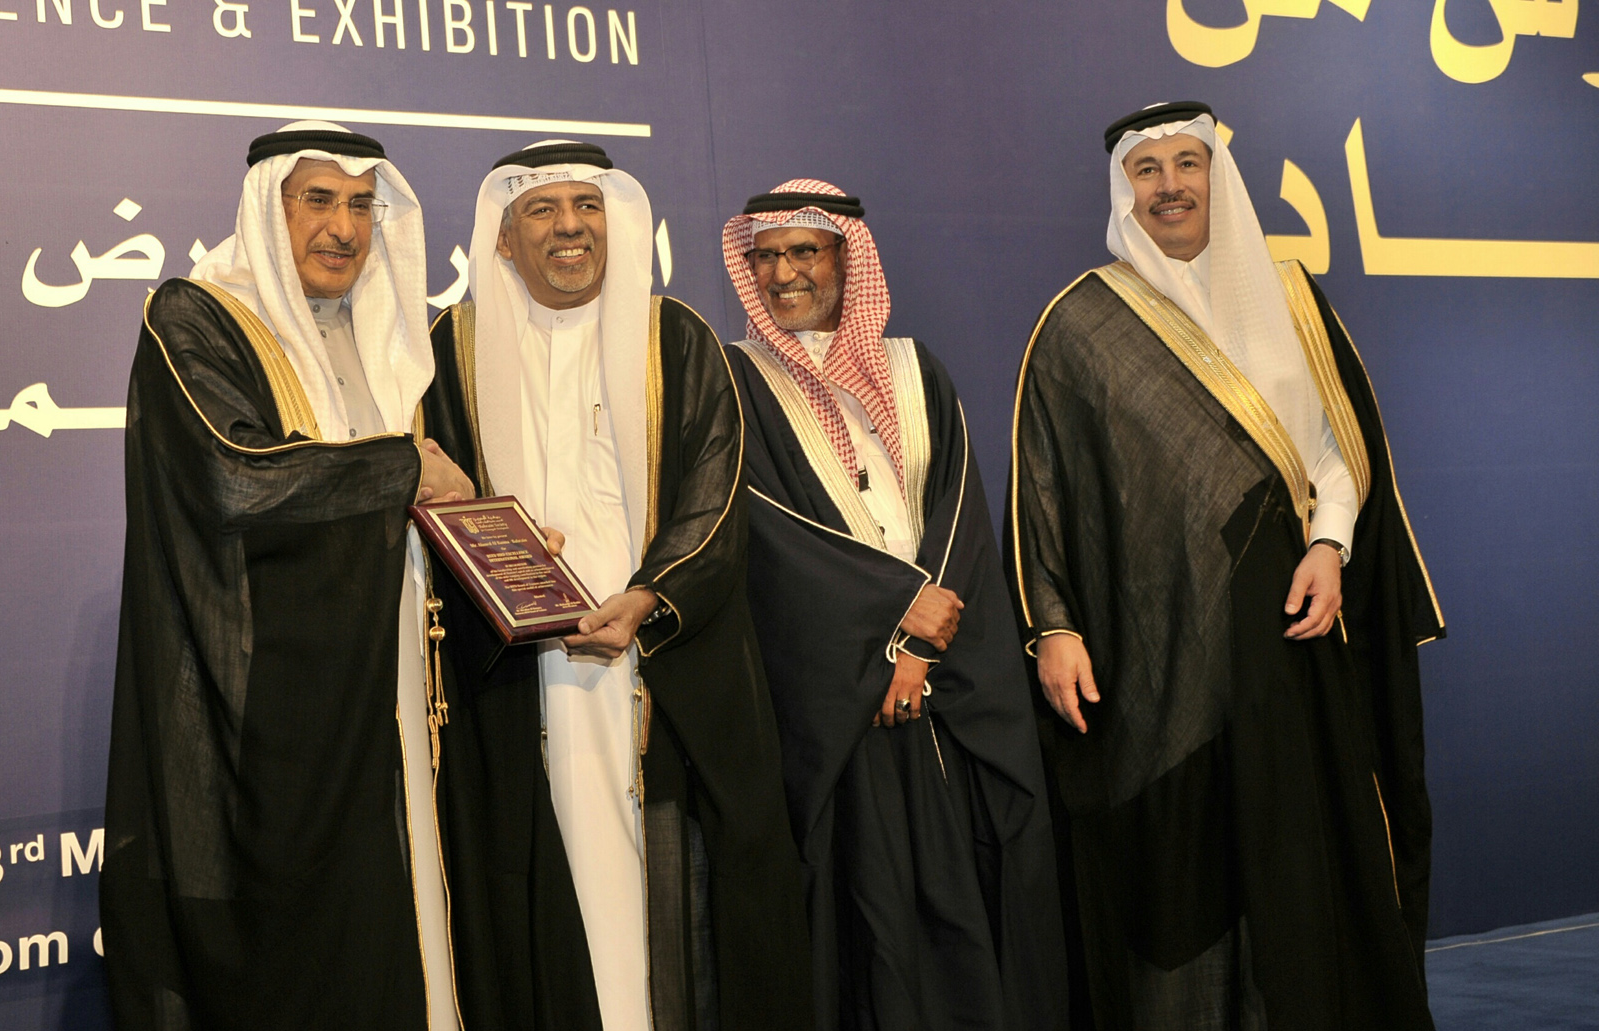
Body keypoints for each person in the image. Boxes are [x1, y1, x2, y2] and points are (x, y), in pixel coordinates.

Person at [1007, 101, 1446, 1030]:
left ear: (1216, 175)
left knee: (1300, 848)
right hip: (1159, 659)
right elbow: (1041, 490)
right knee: (1189, 871)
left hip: (1291, 628)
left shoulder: (1288, 294)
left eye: (1186, 163)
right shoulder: (1082, 323)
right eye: (1147, 170)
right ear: (1124, 189)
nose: (1169, 186)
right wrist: (1053, 625)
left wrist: (1330, 544)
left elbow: (1337, 446)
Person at [422, 140, 812, 1031]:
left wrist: (648, 598)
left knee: (681, 908)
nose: (570, 227)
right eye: (542, 209)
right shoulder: (453, 351)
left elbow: (715, 499)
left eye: (587, 206)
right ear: (504, 237)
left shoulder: (675, 337)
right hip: (516, 683)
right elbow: (435, 507)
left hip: (662, 669)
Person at [102, 122, 475, 1030]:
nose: (344, 227)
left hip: (387, 678)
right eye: (319, 200)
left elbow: (415, 495)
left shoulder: (383, 339)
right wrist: (403, 470)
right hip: (264, 702)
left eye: (361, 205)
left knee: (398, 920)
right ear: (269, 208)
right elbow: (238, 475)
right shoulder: (196, 316)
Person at [720, 180, 1069, 1031]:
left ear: (849, 259)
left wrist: (920, 645)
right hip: (845, 699)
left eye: (804, 252)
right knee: (869, 913)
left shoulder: (916, 370)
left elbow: (961, 514)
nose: (783, 273)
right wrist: (890, 618)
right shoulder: (736, 381)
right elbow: (765, 529)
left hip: (941, 686)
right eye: (766, 256)